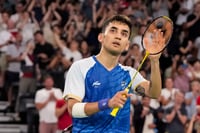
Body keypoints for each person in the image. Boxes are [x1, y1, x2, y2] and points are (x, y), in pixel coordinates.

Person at [63, 14, 162, 132]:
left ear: (127, 46)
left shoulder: (129, 73)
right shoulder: (81, 67)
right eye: (113, 31)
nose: (118, 36)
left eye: (124, 34)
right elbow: (73, 109)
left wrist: (155, 62)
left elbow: (154, 92)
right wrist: (108, 103)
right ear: (101, 37)